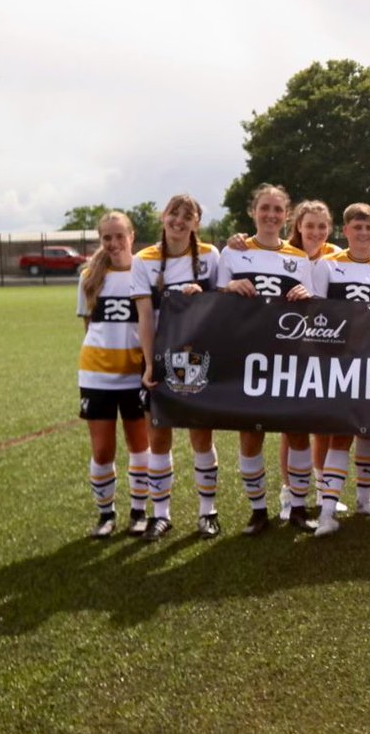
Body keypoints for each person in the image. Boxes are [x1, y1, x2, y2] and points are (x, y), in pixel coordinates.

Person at [229, 201, 341, 519]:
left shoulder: (331, 255)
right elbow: (221, 291)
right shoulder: (272, 251)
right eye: (310, 226)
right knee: (268, 429)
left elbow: (320, 303)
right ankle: (284, 495)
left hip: (304, 352)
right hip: (258, 352)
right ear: (297, 226)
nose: (316, 232)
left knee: (302, 427)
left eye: (322, 226)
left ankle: (308, 497)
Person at [216, 184, 316, 535]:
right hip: (247, 357)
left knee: (298, 432)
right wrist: (228, 288)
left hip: (290, 358)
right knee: (250, 434)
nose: (271, 215)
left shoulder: (300, 258)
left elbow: (314, 307)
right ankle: (258, 510)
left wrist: (307, 295)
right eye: (265, 208)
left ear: (286, 215)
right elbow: (212, 302)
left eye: (277, 209)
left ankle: (300, 507)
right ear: (253, 212)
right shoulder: (231, 254)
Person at [311, 203, 370, 537]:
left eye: (369, 228)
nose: (363, 233)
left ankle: (365, 499)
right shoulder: (326, 266)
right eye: (357, 227)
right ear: (345, 230)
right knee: (340, 431)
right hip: (339, 361)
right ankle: (326, 511)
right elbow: (316, 315)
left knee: (368, 430)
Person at [132, 194, 221, 540]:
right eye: (174, 214)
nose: (179, 221)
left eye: (187, 216)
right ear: (163, 217)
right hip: (159, 359)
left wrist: (204, 297)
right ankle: (161, 515)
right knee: (159, 436)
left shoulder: (211, 256)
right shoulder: (144, 259)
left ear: (196, 223)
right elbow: (144, 316)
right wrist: (150, 363)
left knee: (200, 435)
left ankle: (207, 512)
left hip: (200, 358)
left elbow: (223, 303)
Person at [78, 212, 150, 539]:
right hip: (97, 375)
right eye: (107, 237)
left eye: (120, 235)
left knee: (140, 446)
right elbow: (89, 327)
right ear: (101, 240)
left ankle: (139, 511)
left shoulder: (145, 271)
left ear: (132, 236)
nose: (114, 243)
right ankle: (105, 514)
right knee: (103, 450)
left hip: (136, 375)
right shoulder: (89, 276)